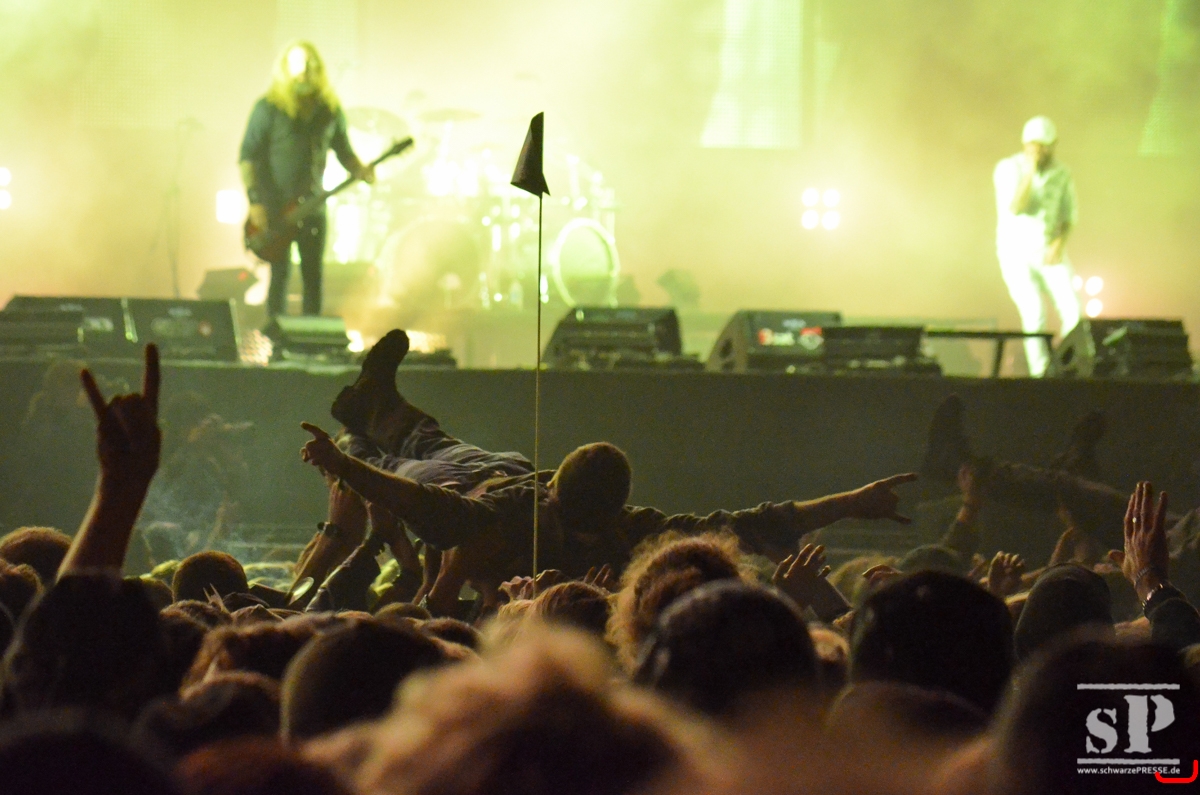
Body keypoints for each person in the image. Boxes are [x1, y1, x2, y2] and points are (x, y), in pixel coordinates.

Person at [300, 330, 918, 616]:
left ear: (557, 491)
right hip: (499, 474)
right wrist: (849, 502)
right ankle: (373, 402)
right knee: (426, 446)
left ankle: (358, 425)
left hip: (473, 485)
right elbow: (746, 526)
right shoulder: (624, 528)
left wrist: (344, 463)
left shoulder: (531, 517)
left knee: (398, 459)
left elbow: (429, 509)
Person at [239, 41, 374, 319]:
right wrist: (255, 202)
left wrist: (360, 168)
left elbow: (344, 150)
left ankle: (313, 337)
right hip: (276, 207)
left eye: (309, 63)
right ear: (285, 68)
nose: (303, 70)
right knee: (280, 273)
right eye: (297, 63)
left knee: (313, 275)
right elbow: (248, 157)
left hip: (314, 204)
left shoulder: (329, 110)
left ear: (318, 69)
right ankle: (275, 333)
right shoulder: (268, 108)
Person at [993, 115, 1080, 377]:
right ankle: (1040, 372)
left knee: (1073, 310)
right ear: (1024, 144)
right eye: (1033, 145)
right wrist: (1030, 172)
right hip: (1015, 252)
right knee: (1034, 311)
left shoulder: (1062, 173)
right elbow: (1016, 206)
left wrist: (1058, 245)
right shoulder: (1008, 168)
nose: (1038, 151)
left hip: (1048, 248)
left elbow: (1069, 216)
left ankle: (1072, 366)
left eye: (1043, 146)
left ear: (1053, 146)